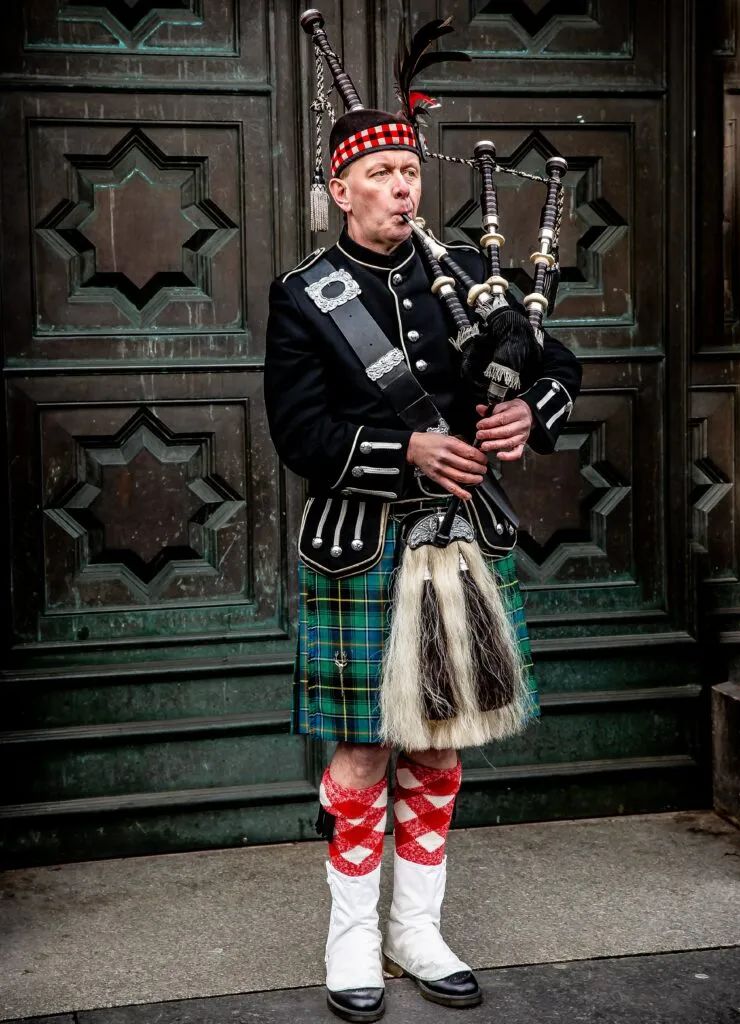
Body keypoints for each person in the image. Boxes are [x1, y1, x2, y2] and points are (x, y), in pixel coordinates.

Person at [264, 98, 581, 1022]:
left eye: (409, 173)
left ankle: (419, 927)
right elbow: (298, 431)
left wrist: (535, 411)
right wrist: (405, 450)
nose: (402, 188)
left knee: (439, 743)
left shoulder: (472, 271)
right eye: (381, 175)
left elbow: (556, 359)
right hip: (363, 542)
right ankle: (353, 938)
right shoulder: (305, 292)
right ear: (339, 188)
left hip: (458, 542)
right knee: (362, 750)